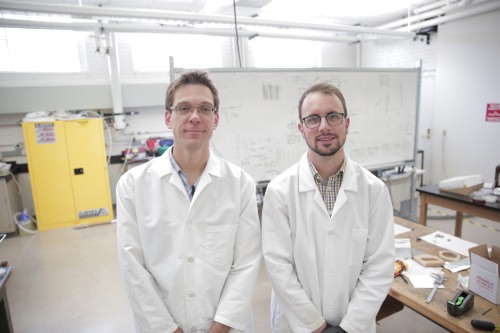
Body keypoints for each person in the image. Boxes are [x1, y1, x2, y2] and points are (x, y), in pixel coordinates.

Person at [116, 70, 262, 333]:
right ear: (167, 117)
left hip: (227, 327)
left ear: (215, 119)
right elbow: (133, 269)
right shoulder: (133, 185)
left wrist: (221, 326)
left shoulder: (240, 184)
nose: (194, 117)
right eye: (184, 108)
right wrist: (167, 329)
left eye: (205, 109)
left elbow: (246, 263)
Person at [261, 82, 395, 333]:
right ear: (301, 129)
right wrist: (314, 326)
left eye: (333, 116)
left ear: (347, 123)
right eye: (313, 119)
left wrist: (349, 327)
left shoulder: (374, 190)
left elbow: (379, 265)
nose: (324, 126)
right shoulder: (279, 191)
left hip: (354, 324)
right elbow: (279, 268)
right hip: (295, 324)